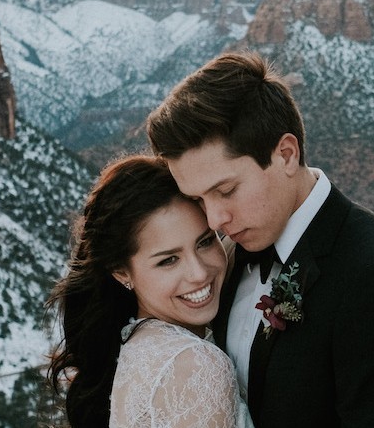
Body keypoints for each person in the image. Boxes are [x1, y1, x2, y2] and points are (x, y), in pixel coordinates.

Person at [146, 52, 374, 427]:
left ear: (286, 154)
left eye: (226, 190)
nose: (214, 220)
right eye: (198, 200)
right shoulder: (223, 258)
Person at [47, 155, 252, 428]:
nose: (199, 273)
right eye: (168, 260)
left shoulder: (139, 347)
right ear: (121, 272)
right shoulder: (194, 365)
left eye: (204, 242)